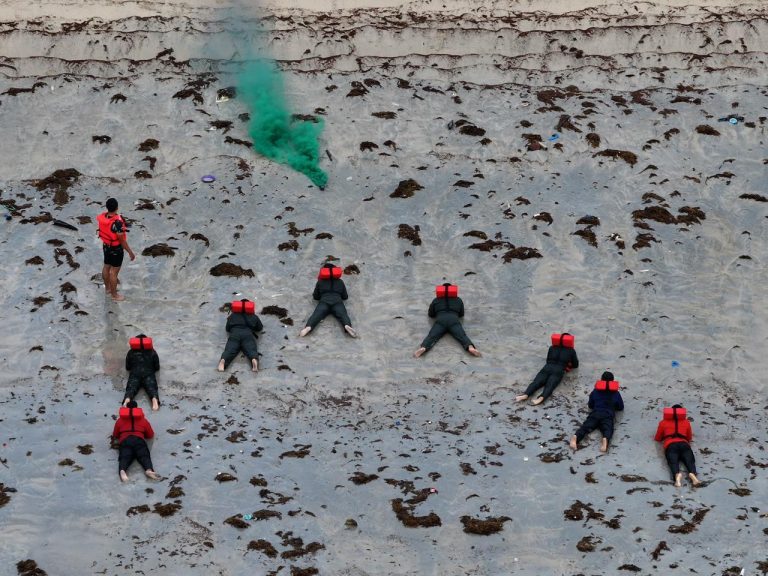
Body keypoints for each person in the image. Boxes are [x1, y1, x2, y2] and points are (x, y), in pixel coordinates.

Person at [414, 283, 481, 358]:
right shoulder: (458, 300)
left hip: (441, 320)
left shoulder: (436, 300)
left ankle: (423, 347)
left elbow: (431, 314)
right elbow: (461, 314)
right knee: (462, 335)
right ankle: (470, 347)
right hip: (453, 319)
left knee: (432, 335)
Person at [515, 332, 578, 405]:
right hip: (558, 370)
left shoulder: (552, 347)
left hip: (547, 367)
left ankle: (525, 394)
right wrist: (568, 365)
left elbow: (548, 360)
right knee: (550, 385)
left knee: (536, 382)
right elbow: (575, 365)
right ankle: (541, 398)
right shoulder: (571, 351)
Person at [569, 371, 624, 453]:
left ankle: (576, 437)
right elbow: (620, 407)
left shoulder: (595, 391)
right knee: (607, 429)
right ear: (612, 381)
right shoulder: (616, 393)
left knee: (586, 427)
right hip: (607, 415)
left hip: (596, 413)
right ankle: (605, 440)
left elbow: (590, 405)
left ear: (602, 380)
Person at [299, 263, 357, 338]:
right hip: (337, 302)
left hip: (324, 302)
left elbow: (315, 297)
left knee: (316, 315)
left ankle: (308, 327)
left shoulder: (320, 282)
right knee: (343, 315)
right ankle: (347, 325)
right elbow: (345, 297)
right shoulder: (340, 282)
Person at [97, 197, 135, 301]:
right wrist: (130, 252)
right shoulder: (117, 223)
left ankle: (108, 289)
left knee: (106, 266)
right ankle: (114, 295)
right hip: (116, 249)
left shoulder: (104, 217)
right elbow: (122, 240)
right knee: (113, 272)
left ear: (107, 208)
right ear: (117, 207)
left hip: (106, 246)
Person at [654, 404, 701, 487]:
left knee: (673, 462)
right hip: (684, 445)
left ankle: (677, 476)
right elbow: (689, 438)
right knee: (690, 461)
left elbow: (658, 438)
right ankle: (693, 475)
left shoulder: (663, 423)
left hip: (671, 446)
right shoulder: (686, 422)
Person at [111, 401, 159, 482]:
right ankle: (148, 470)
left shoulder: (120, 420)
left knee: (125, 457)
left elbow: (115, 435)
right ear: (136, 408)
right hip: (138, 440)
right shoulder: (143, 420)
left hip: (125, 440)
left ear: (127, 409)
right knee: (144, 455)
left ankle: (122, 471)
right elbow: (150, 435)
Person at [218, 299, 263, 372]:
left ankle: (223, 361)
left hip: (234, 334)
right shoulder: (253, 316)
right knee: (251, 349)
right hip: (247, 335)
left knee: (230, 350)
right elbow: (259, 328)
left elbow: (227, 329)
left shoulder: (232, 316)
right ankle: (254, 360)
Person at [123, 334, 160, 411]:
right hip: (148, 374)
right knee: (152, 389)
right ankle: (154, 400)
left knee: (131, 389)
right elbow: (157, 367)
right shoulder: (152, 352)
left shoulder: (131, 352)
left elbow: (128, 367)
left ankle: (127, 399)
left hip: (135, 374)